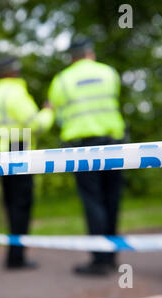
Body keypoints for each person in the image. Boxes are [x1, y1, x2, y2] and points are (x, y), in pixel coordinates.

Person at [48, 38, 126, 276]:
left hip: (83, 147)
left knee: (93, 202)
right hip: (114, 143)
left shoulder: (62, 79)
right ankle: (111, 256)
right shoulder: (109, 73)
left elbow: (55, 111)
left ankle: (100, 260)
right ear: (90, 53)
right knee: (112, 200)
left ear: (72, 56)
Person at [0, 56, 54, 270]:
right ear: (12, 71)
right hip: (18, 151)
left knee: (10, 206)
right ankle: (17, 258)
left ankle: (13, 255)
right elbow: (37, 125)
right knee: (22, 206)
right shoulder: (16, 93)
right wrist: (48, 111)